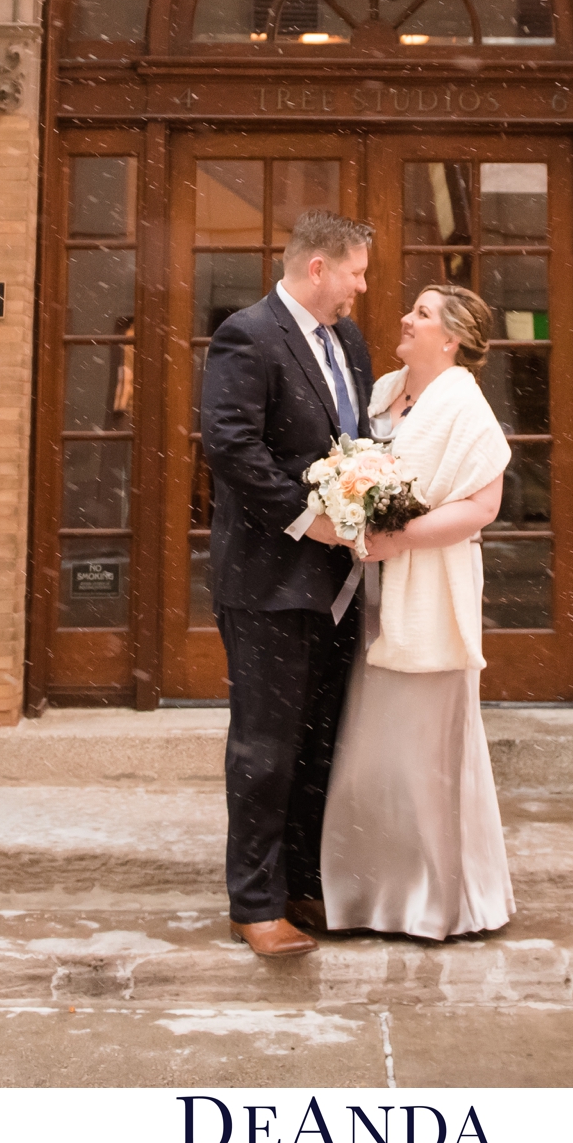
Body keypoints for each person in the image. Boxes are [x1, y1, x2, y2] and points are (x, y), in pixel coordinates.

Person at [197, 208, 376, 959]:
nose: (361, 289)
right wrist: (309, 520)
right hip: (269, 580)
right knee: (265, 750)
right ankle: (256, 904)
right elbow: (230, 445)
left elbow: (356, 443)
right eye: (356, 273)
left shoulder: (349, 342)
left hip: (336, 588)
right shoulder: (249, 334)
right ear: (317, 269)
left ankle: (302, 885)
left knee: (317, 746)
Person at [320, 282, 516, 941]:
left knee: (422, 758)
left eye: (423, 314)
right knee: (369, 755)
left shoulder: (464, 405)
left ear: (452, 337)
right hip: (366, 593)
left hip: (427, 589)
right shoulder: (381, 391)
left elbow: (481, 508)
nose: (406, 318)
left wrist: (393, 539)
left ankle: (436, 900)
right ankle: (366, 896)